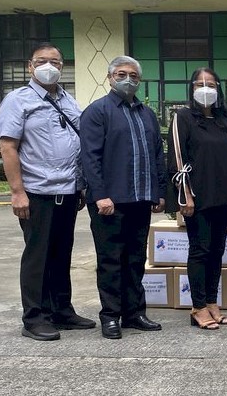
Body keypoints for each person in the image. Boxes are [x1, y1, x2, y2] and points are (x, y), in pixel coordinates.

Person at [0, 42, 95, 341]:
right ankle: (34, 317)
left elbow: (78, 145)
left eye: (55, 62)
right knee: (37, 257)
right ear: (30, 66)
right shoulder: (18, 100)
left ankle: (61, 310)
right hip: (36, 193)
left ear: (62, 67)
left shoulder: (69, 101)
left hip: (66, 191)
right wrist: (17, 192)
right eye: (42, 61)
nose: (48, 67)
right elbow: (8, 146)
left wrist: (79, 186)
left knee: (61, 254)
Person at [80, 56, 166, 340]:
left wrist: (158, 192)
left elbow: (156, 155)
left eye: (133, 75)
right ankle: (110, 316)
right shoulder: (97, 112)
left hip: (141, 199)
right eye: (121, 74)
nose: (127, 79)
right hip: (109, 203)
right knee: (110, 260)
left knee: (135, 259)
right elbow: (89, 158)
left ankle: (134, 313)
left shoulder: (147, 114)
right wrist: (101, 195)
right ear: (110, 78)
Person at [166, 67, 227, 330]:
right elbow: (177, 157)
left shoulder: (223, 119)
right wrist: (184, 194)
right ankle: (197, 307)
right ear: (191, 88)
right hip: (197, 195)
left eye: (210, 83)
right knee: (200, 250)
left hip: (222, 192)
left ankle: (212, 301)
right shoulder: (183, 117)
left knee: (217, 250)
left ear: (218, 88)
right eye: (199, 84)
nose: (205, 88)